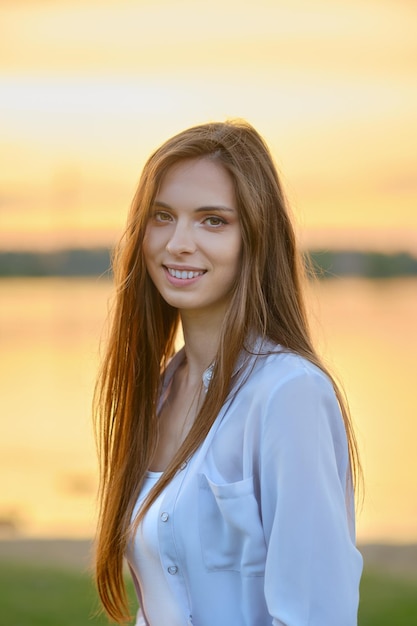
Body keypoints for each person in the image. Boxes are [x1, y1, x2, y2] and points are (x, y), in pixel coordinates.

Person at [93, 119, 363, 626]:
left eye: (212, 220)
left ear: (256, 237)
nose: (178, 242)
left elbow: (316, 615)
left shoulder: (288, 393)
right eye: (162, 216)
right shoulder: (157, 392)